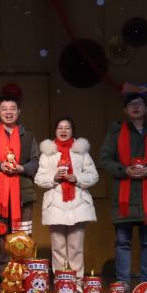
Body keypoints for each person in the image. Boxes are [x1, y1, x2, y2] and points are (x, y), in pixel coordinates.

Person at [99, 93, 147, 284]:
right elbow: (105, 159)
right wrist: (124, 170)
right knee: (122, 242)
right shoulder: (115, 132)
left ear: (146, 108)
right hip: (123, 196)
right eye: (131, 104)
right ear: (125, 110)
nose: (135, 107)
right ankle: (123, 284)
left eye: (139, 104)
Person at [35, 117, 98, 281]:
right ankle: (62, 282)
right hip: (55, 205)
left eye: (67, 128)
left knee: (76, 247)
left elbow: (93, 176)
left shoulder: (81, 152)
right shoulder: (48, 153)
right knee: (58, 247)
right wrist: (54, 178)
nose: (63, 131)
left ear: (72, 131)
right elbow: (39, 179)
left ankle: (77, 282)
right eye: (60, 127)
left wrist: (77, 178)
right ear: (55, 131)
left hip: (78, 204)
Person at [0, 94, 40, 278]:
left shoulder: (28, 136)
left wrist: (21, 168)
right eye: (4, 109)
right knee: (1, 236)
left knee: (23, 235)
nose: (8, 112)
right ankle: (3, 278)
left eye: (12, 109)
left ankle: (22, 276)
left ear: (19, 111)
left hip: (23, 194)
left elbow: (36, 162)